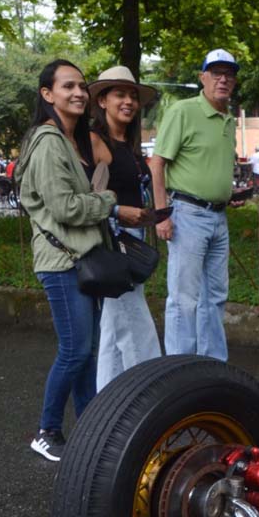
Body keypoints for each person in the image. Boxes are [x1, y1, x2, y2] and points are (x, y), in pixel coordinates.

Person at [17, 59, 151, 461]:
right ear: (47, 94)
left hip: (77, 258)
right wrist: (108, 201)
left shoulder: (69, 140)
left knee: (87, 351)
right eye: (67, 86)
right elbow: (65, 208)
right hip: (59, 262)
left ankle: (91, 429)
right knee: (75, 351)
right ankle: (47, 430)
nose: (77, 92)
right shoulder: (48, 142)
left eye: (80, 86)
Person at [149, 48, 241, 361]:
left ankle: (212, 363)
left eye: (229, 74)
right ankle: (180, 367)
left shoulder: (229, 119)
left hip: (218, 217)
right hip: (187, 215)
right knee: (184, 299)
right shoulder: (183, 111)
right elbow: (157, 163)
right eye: (216, 73)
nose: (223, 79)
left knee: (214, 296)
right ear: (203, 77)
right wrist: (161, 214)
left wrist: (226, 193)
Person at [88, 65, 163, 390]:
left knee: (113, 327)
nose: (129, 102)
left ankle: (106, 398)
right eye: (120, 94)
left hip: (133, 238)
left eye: (133, 96)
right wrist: (119, 212)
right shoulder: (95, 141)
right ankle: (146, 391)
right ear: (102, 100)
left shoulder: (127, 144)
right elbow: (86, 197)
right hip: (112, 242)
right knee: (134, 324)